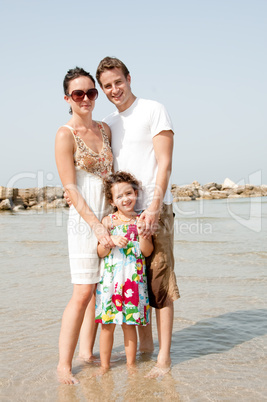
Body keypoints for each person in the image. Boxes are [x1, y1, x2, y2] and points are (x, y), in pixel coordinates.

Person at [95, 57, 180, 377]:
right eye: (107, 86)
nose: (114, 89)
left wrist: (155, 208)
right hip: (122, 213)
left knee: (160, 283)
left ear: (129, 78)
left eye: (118, 82)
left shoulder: (153, 109)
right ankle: (144, 351)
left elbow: (165, 163)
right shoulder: (108, 123)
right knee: (135, 283)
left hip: (154, 210)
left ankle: (163, 359)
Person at [55, 67, 114, 384]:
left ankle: (87, 353)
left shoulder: (105, 129)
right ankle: (64, 365)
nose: (87, 98)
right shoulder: (65, 134)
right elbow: (72, 188)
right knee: (82, 291)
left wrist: (113, 218)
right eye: (79, 93)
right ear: (68, 98)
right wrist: (95, 225)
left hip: (108, 217)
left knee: (99, 291)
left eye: (91, 92)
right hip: (84, 221)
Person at [95, 171, 153, 374]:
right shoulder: (108, 221)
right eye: (119, 196)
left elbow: (147, 251)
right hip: (111, 281)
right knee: (107, 325)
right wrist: (110, 242)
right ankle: (104, 366)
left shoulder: (142, 219)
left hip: (132, 281)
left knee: (129, 324)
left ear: (135, 193)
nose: (125, 199)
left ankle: (131, 366)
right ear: (112, 200)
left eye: (128, 193)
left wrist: (141, 232)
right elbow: (100, 252)